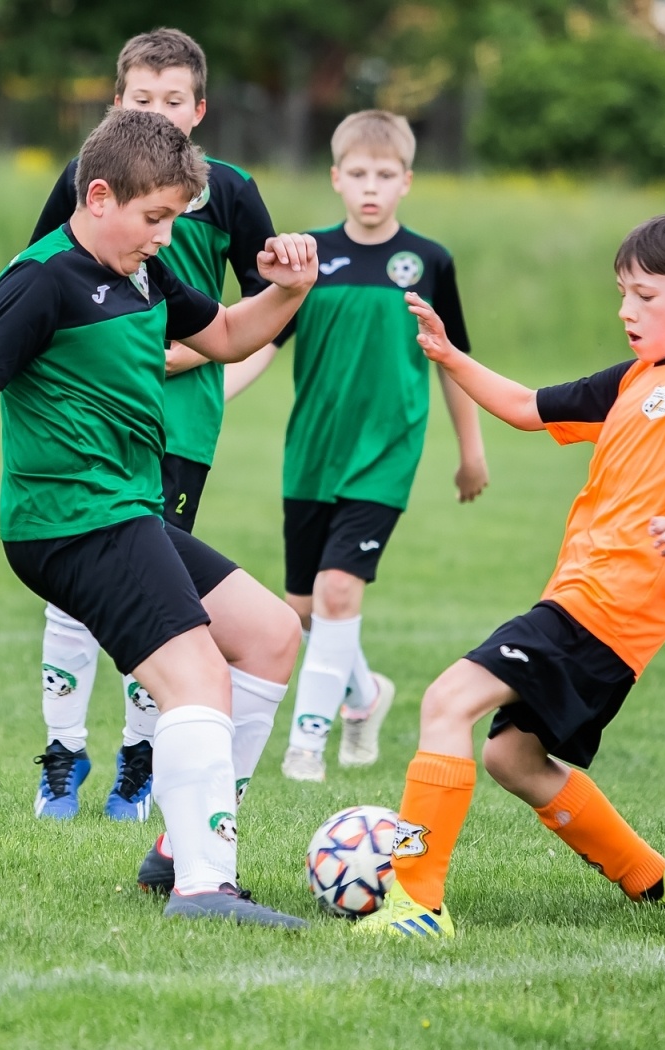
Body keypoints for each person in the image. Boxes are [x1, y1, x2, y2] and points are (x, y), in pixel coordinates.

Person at [0, 108, 314, 927]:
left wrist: (291, 288)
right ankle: (204, 888)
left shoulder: (142, 273)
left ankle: (176, 850)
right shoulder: (40, 278)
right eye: (154, 218)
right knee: (195, 676)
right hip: (69, 520)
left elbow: (229, 336)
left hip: (123, 510)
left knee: (270, 634)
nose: (165, 237)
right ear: (97, 196)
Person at [356, 211, 665, 937]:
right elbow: (526, 407)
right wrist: (449, 356)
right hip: (590, 601)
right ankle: (651, 880)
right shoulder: (634, 380)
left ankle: (416, 906)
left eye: (645, 295)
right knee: (512, 757)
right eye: (623, 292)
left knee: (448, 701)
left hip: (613, 600)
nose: (626, 309)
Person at [26, 28, 283, 823]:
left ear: (200, 109)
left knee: (162, 602)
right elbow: (41, 287)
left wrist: (210, 380)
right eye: (144, 100)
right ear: (117, 104)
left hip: (179, 432)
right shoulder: (86, 181)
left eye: (175, 101)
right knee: (76, 597)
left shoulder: (231, 192)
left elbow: (265, 319)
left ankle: (140, 762)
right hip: (93, 421)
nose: (161, 114)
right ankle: (62, 753)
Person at [257, 110, 488, 784]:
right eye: (358, 173)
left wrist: (471, 452)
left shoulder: (429, 263)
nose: (370, 186)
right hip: (311, 453)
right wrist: (203, 383)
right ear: (336, 177)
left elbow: (454, 362)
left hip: (386, 452)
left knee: (334, 592)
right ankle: (365, 694)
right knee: (302, 610)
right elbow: (257, 347)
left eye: (385, 175)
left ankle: (307, 744)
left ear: (406, 181)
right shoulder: (309, 258)